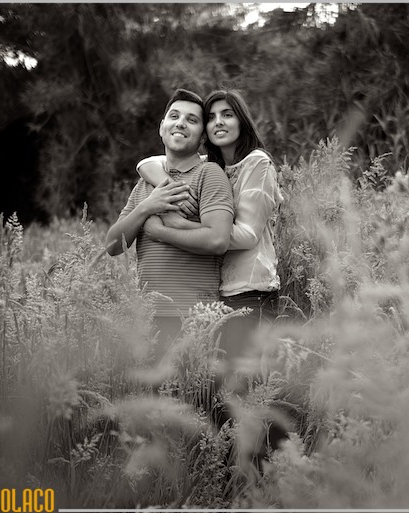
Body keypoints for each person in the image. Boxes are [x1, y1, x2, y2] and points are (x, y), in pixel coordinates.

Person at [136, 89, 286, 467]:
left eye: (228, 115)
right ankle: (235, 479)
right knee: (221, 398)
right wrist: (160, 183)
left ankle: (272, 476)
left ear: (242, 121)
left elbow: (244, 235)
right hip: (220, 299)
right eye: (213, 116)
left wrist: (177, 225)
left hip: (252, 292)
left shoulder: (257, 163)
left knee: (243, 397)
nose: (220, 122)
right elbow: (149, 162)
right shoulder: (213, 166)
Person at [105, 88, 234, 343]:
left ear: (202, 136)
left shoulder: (209, 175)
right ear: (162, 127)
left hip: (195, 318)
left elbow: (218, 241)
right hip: (148, 319)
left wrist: (160, 232)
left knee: (194, 385)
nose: (181, 123)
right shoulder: (144, 186)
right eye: (174, 116)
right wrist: (147, 207)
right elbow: (111, 245)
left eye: (192, 120)